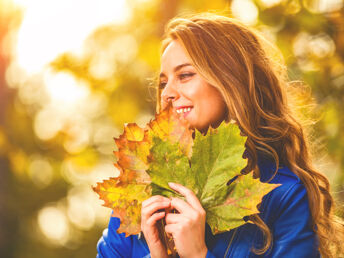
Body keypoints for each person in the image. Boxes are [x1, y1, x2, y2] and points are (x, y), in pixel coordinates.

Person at [97, 12, 344, 257]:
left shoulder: (283, 195)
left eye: (185, 75)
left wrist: (198, 255)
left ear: (230, 81)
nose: (167, 93)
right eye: (163, 83)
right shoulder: (141, 186)